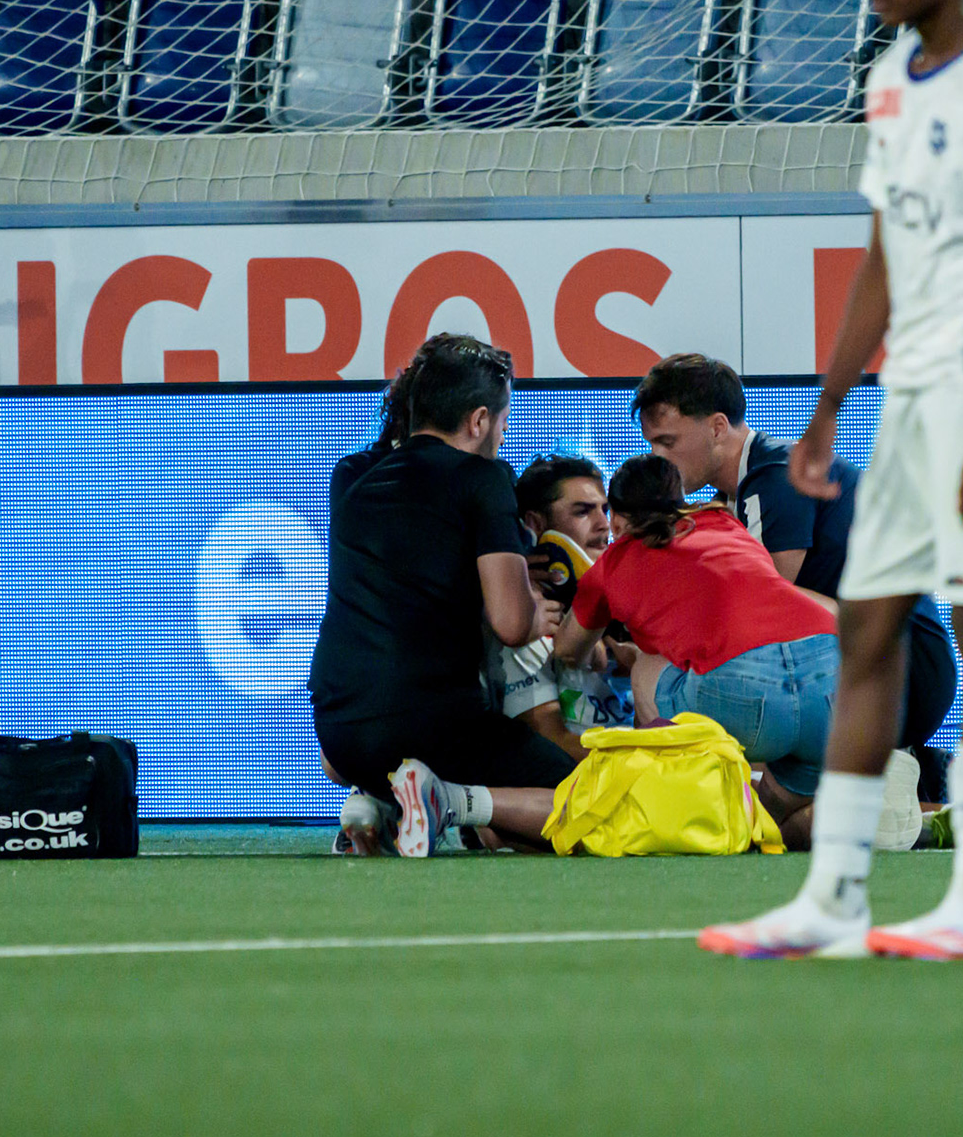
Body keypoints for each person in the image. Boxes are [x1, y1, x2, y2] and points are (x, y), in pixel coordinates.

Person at [701, 0, 963, 960]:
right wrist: (824, 406)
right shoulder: (886, 82)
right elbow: (881, 255)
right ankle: (833, 895)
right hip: (906, 396)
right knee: (864, 628)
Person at [632, 353, 956, 804]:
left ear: (717, 427)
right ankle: (906, 798)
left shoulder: (774, 476)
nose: (657, 458)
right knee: (776, 824)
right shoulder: (741, 494)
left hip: (902, 674)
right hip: (875, 671)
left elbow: (761, 610)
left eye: (667, 442)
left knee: (654, 664)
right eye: (652, 444)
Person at [309, 333, 574, 857]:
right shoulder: (483, 478)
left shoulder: (351, 476)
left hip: (337, 734)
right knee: (587, 802)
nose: (502, 435)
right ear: (478, 421)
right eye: (502, 423)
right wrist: (531, 598)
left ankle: (382, 805)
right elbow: (512, 624)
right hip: (429, 725)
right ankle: (447, 802)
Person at [554, 454, 839, 836]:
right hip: (834, 684)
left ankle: (662, 806)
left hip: (746, 692)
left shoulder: (612, 562)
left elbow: (567, 651)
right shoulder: (725, 522)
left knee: (647, 665)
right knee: (766, 821)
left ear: (618, 520)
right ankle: (835, 821)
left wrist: (605, 642)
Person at [488, 454, 634, 757]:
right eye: (583, 512)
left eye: (605, 510)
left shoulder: (633, 602)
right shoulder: (524, 623)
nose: (604, 525)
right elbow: (553, 741)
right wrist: (651, 759)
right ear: (535, 524)